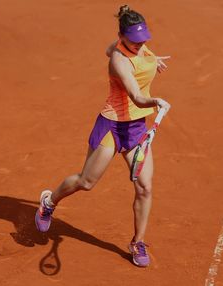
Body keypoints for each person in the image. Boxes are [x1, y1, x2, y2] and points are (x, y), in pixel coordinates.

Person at [35, 5, 170, 268]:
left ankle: (137, 241)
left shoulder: (133, 44)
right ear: (123, 36)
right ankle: (49, 202)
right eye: (136, 40)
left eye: (145, 39)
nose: (142, 44)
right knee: (86, 182)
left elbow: (113, 48)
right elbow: (137, 97)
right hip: (112, 126)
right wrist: (157, 101)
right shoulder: (119, 60)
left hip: (136, 128)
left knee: (145, 187)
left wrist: (152, 60)